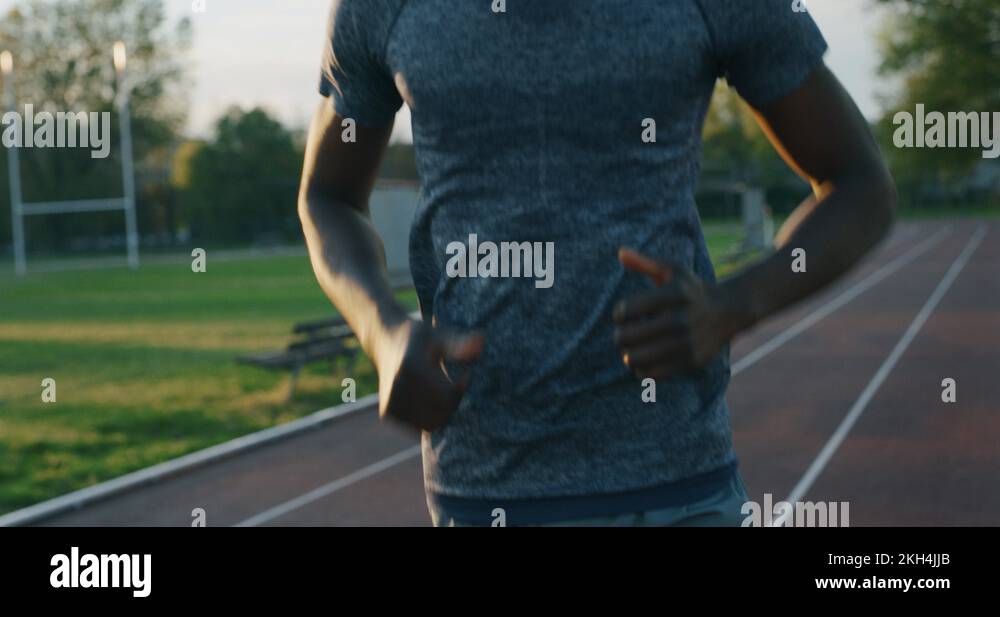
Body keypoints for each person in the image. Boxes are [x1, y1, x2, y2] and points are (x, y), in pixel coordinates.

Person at [298, 0, 897, 526]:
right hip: (484, 492)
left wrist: (734, 305)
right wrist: (381, 329)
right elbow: (328, 196)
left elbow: (860, 183)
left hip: (678, 483)